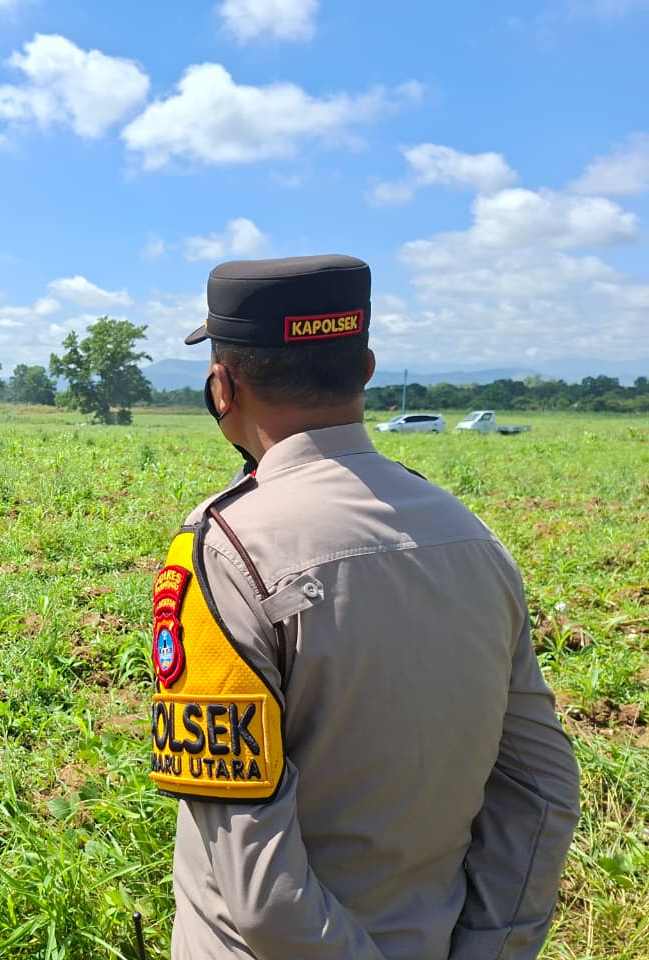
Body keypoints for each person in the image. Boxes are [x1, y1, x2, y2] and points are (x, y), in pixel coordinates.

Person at [151, 254, 580, 959]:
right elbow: (541, 788)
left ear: (221, 386)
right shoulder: (472, 538)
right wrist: (494, 947)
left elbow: (260, 889)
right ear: (368, 368)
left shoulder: (225, 551)